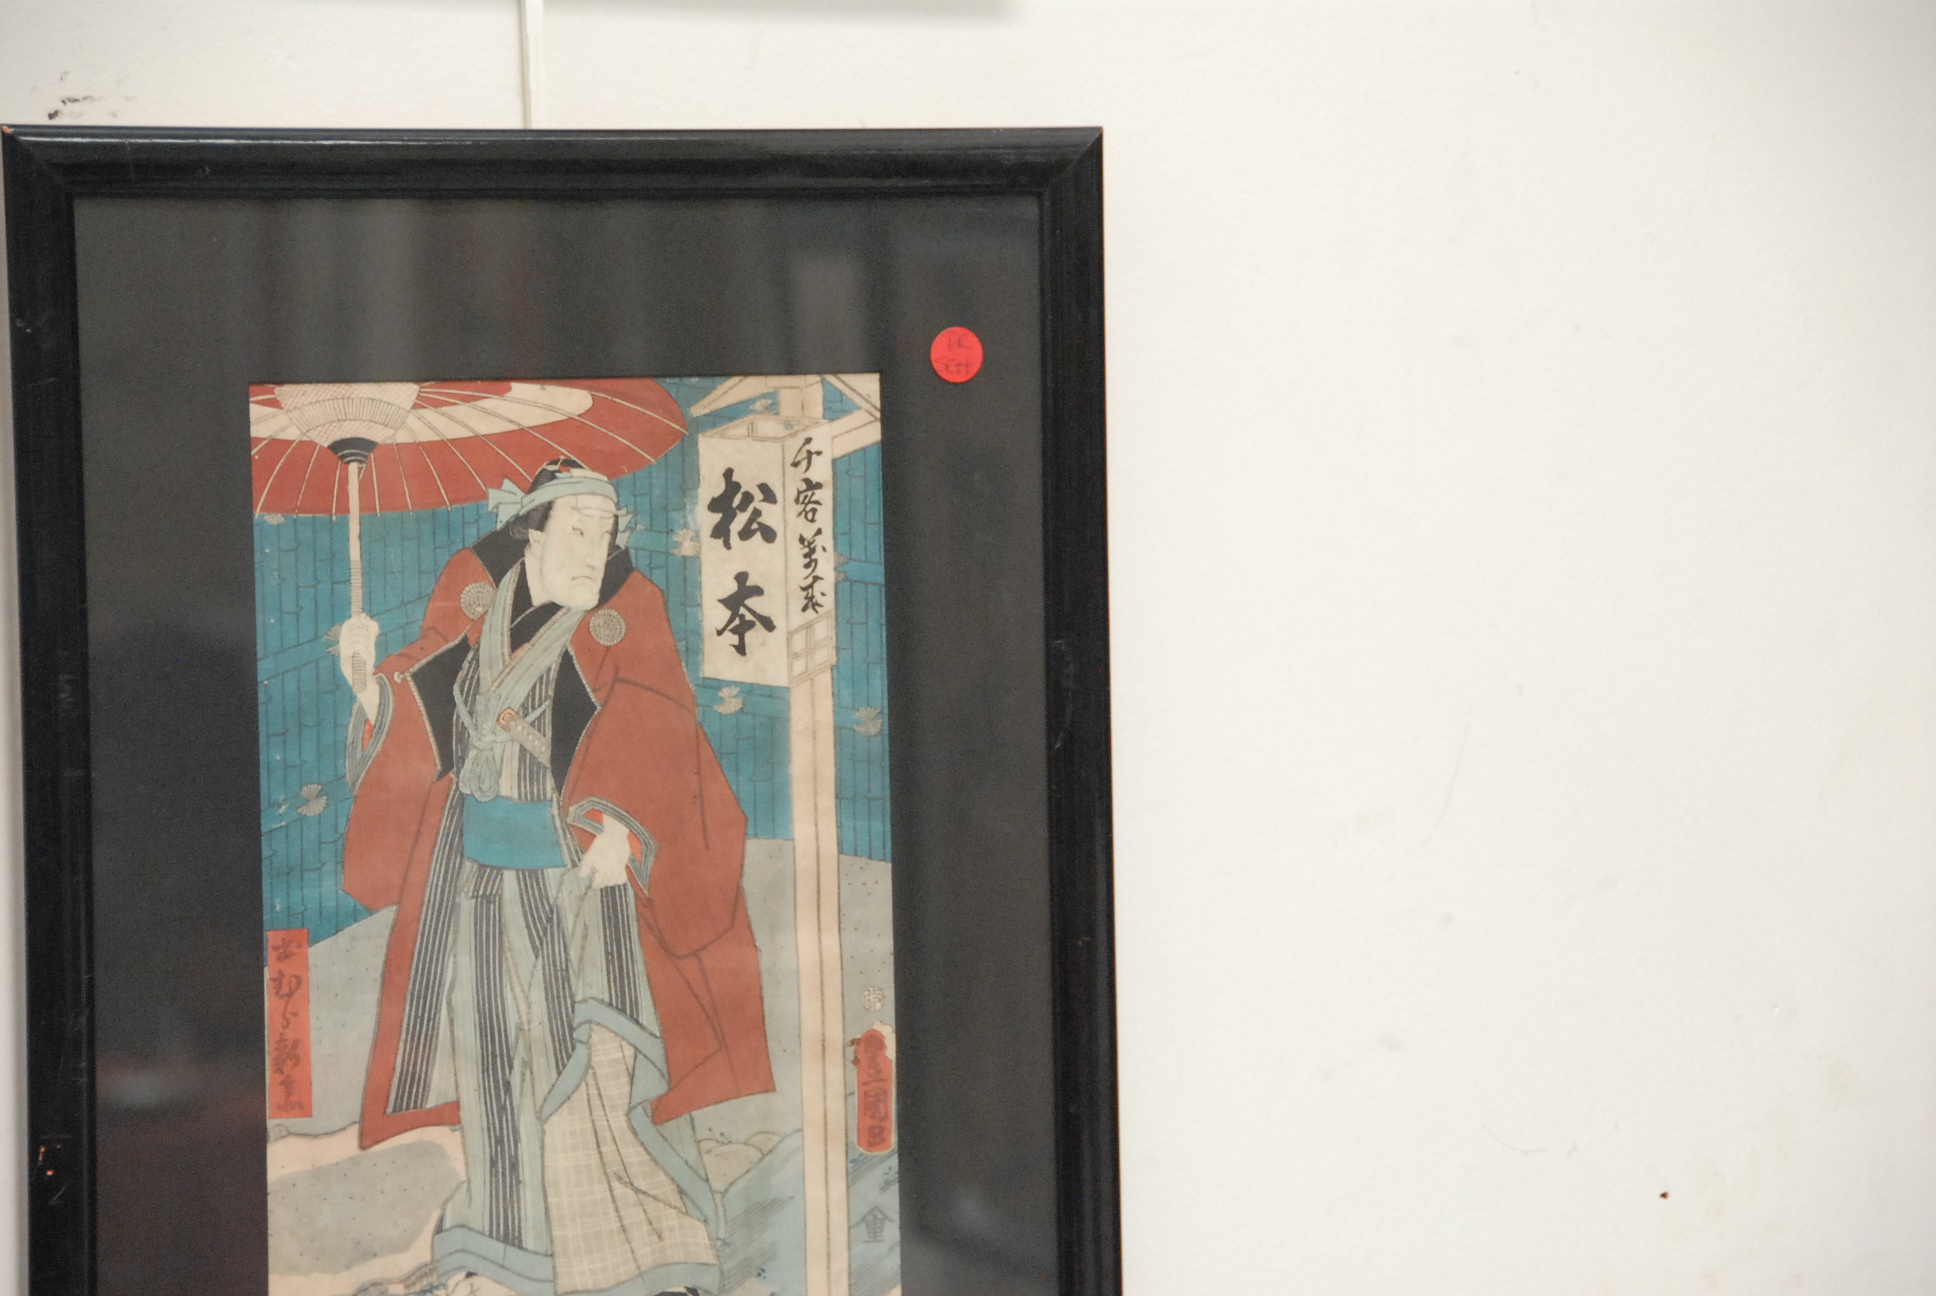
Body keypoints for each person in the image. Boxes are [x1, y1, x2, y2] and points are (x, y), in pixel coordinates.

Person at [336, 459, 773, 1296]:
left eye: (604, 532)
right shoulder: (473, 596)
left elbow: (666, 728)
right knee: (491, 1065)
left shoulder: (627, 609)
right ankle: (503, 1259)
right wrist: (367, 685)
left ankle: (649, 1256)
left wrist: (622, 827)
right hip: (472, 878)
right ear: (530, 531)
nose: (592, 549)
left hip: (579, 874)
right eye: (575, 529)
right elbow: (425, 705)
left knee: (593, 1060)